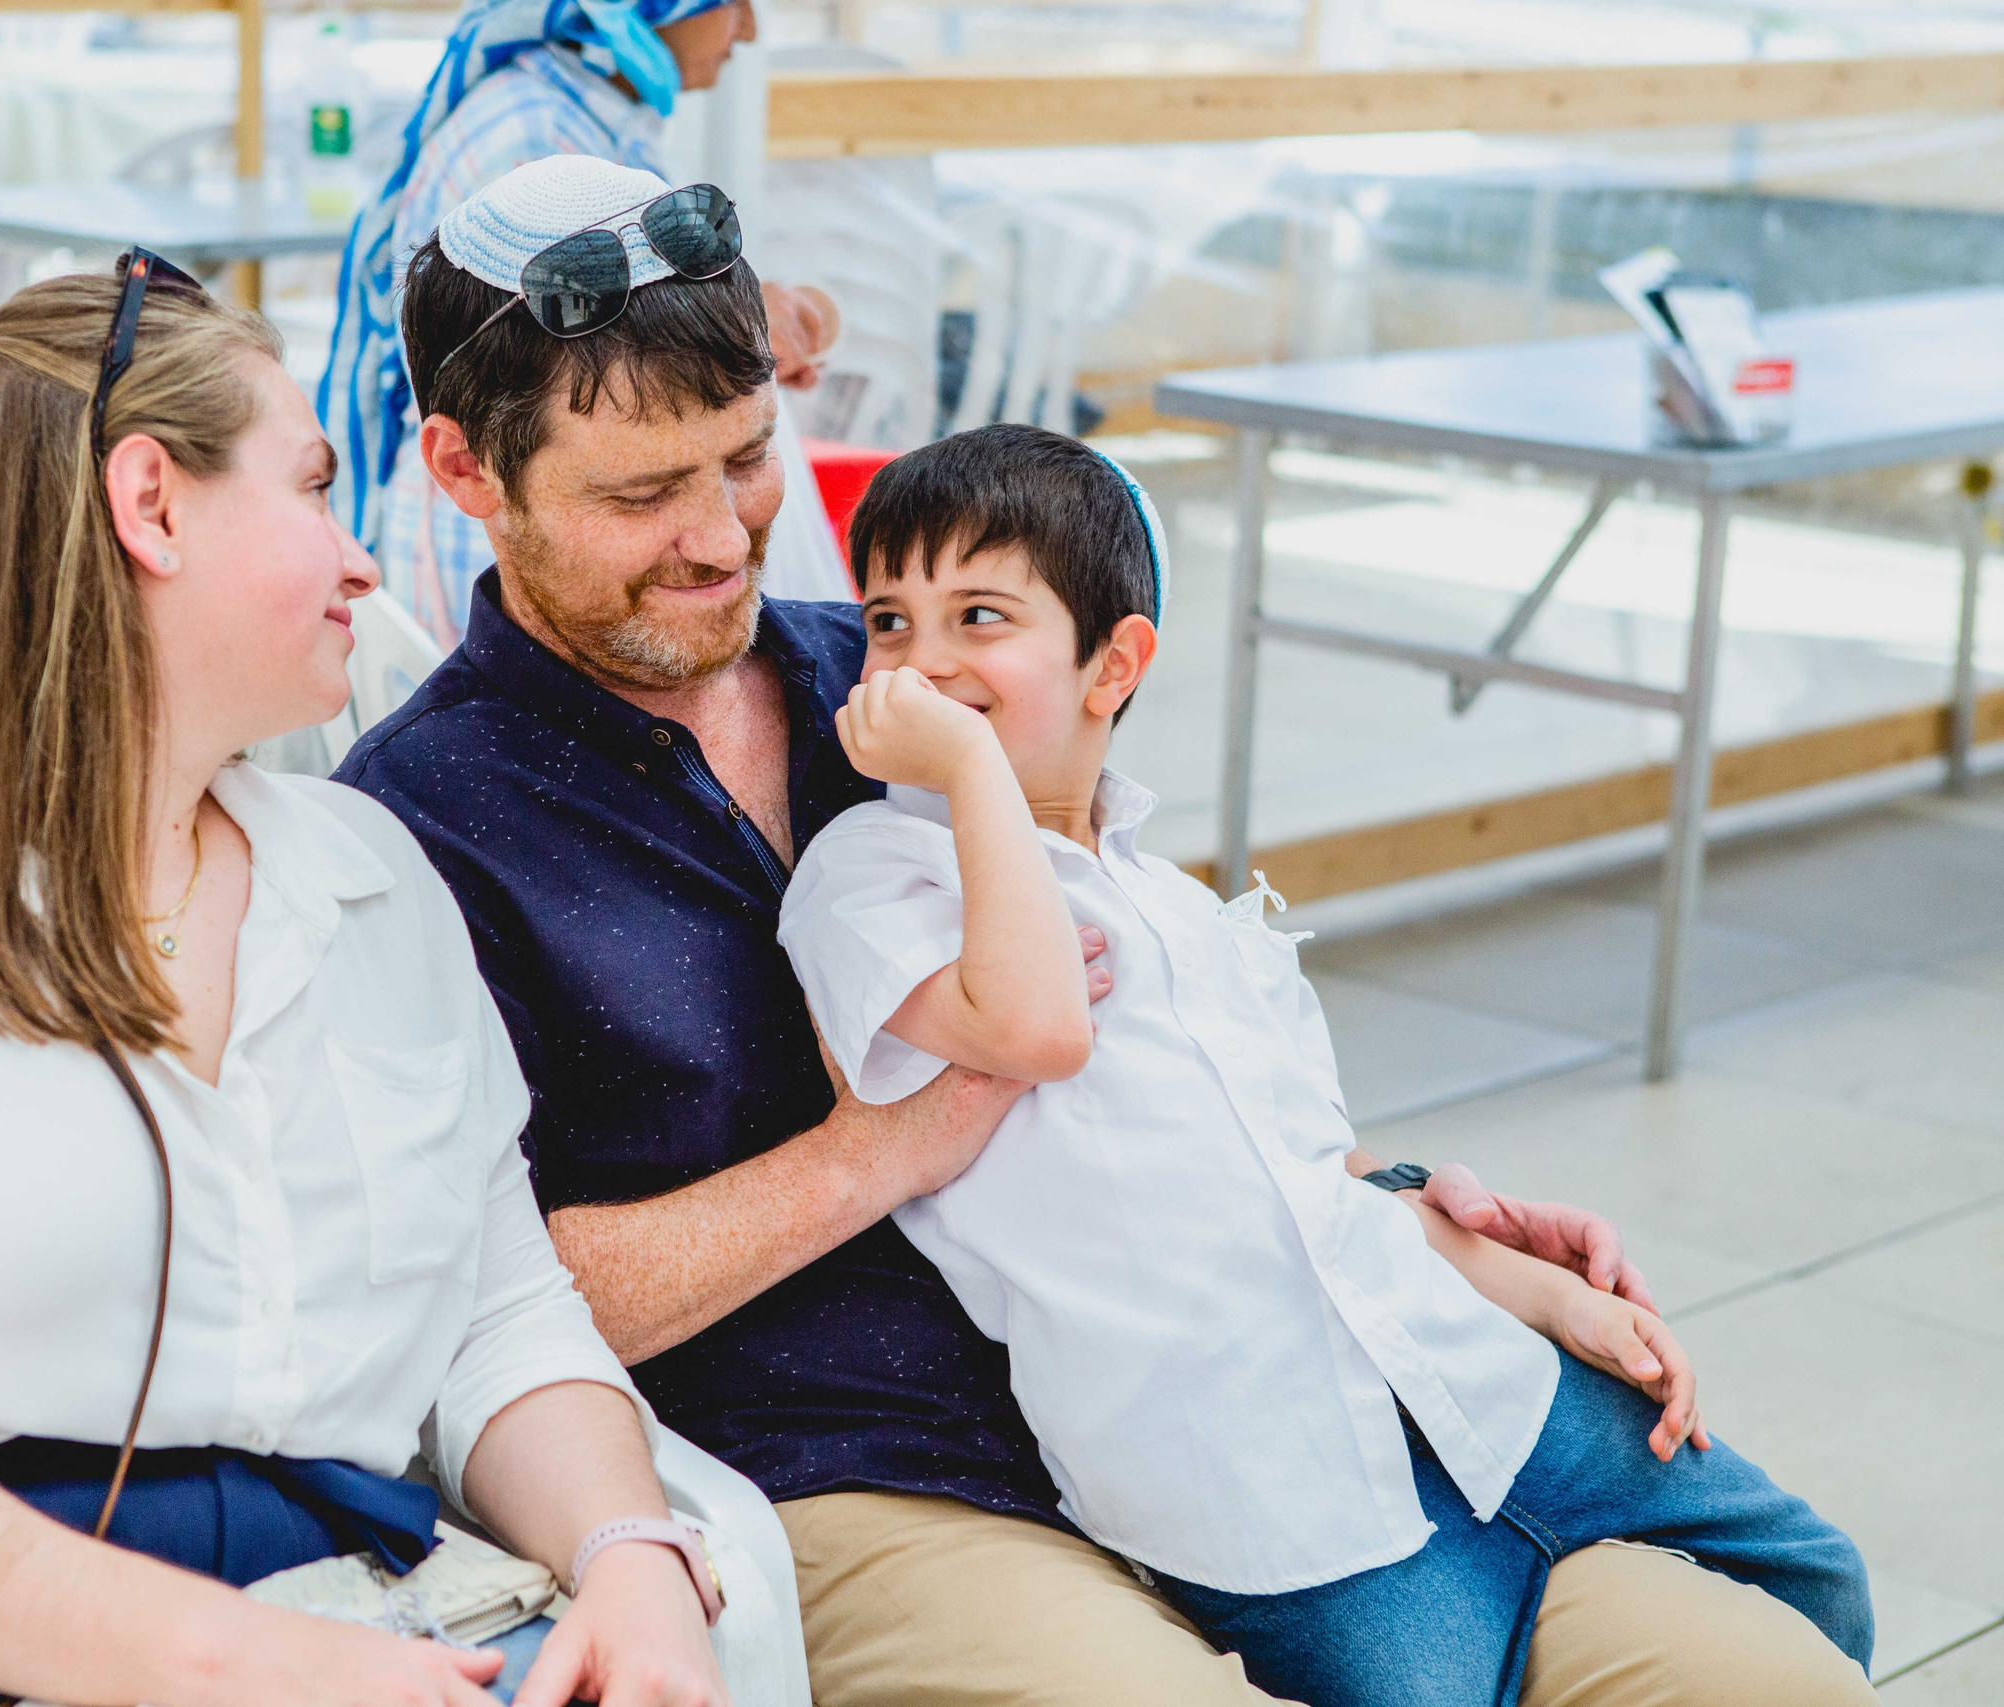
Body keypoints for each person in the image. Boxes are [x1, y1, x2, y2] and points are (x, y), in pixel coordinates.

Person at [333, 154, 1786, 1707]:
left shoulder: (904, 664)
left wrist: (1398, 1200)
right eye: (640, 493)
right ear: (465, 470)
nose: (720, 536)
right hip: (864, 1467)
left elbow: (1165, 1018)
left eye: (749, 458)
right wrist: (888, 1143)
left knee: (1758, 1663)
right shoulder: (418, 826)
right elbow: (469, 1296)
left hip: (1222, 1392)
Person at [0, 252, 745, 1707]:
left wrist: (631, 1553)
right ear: (151, 504)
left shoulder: (370, 876)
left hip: (375, 1614)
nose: (362, 556)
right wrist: (261, 1665)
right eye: (312, 489)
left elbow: (502, 1315)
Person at [774, 422, 1877, 1707]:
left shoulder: (1179, 907)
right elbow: (1034, 1027)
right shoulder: (874, 874)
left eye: (977, 615)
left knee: (1815, 1577)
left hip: (1467, 1383)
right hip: (1259, 1494)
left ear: (1111, 665)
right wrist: (968, 766)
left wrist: (1548, 1298)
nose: (924, 662)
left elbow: (1318, 1185)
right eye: (890, 623)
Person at [317, 0, 848, 651]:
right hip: (492, 563)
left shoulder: (596, 111)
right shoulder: (532, 144)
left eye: (748, 456)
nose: (749, 29)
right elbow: (570, 385)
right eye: (728, 2)